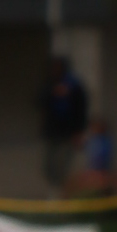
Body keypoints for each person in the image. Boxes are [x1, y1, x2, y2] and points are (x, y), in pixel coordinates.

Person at [39, 51, 90, 189]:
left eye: (57, 67)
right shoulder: (49, 84)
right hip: (52, 132)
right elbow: (39, 101)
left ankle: (61, 190)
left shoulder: (74, 85)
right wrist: (52, 92)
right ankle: (53, 187)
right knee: (49, 166)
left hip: (69, 132)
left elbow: (81, 109)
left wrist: (79, 132)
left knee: (63, 165)